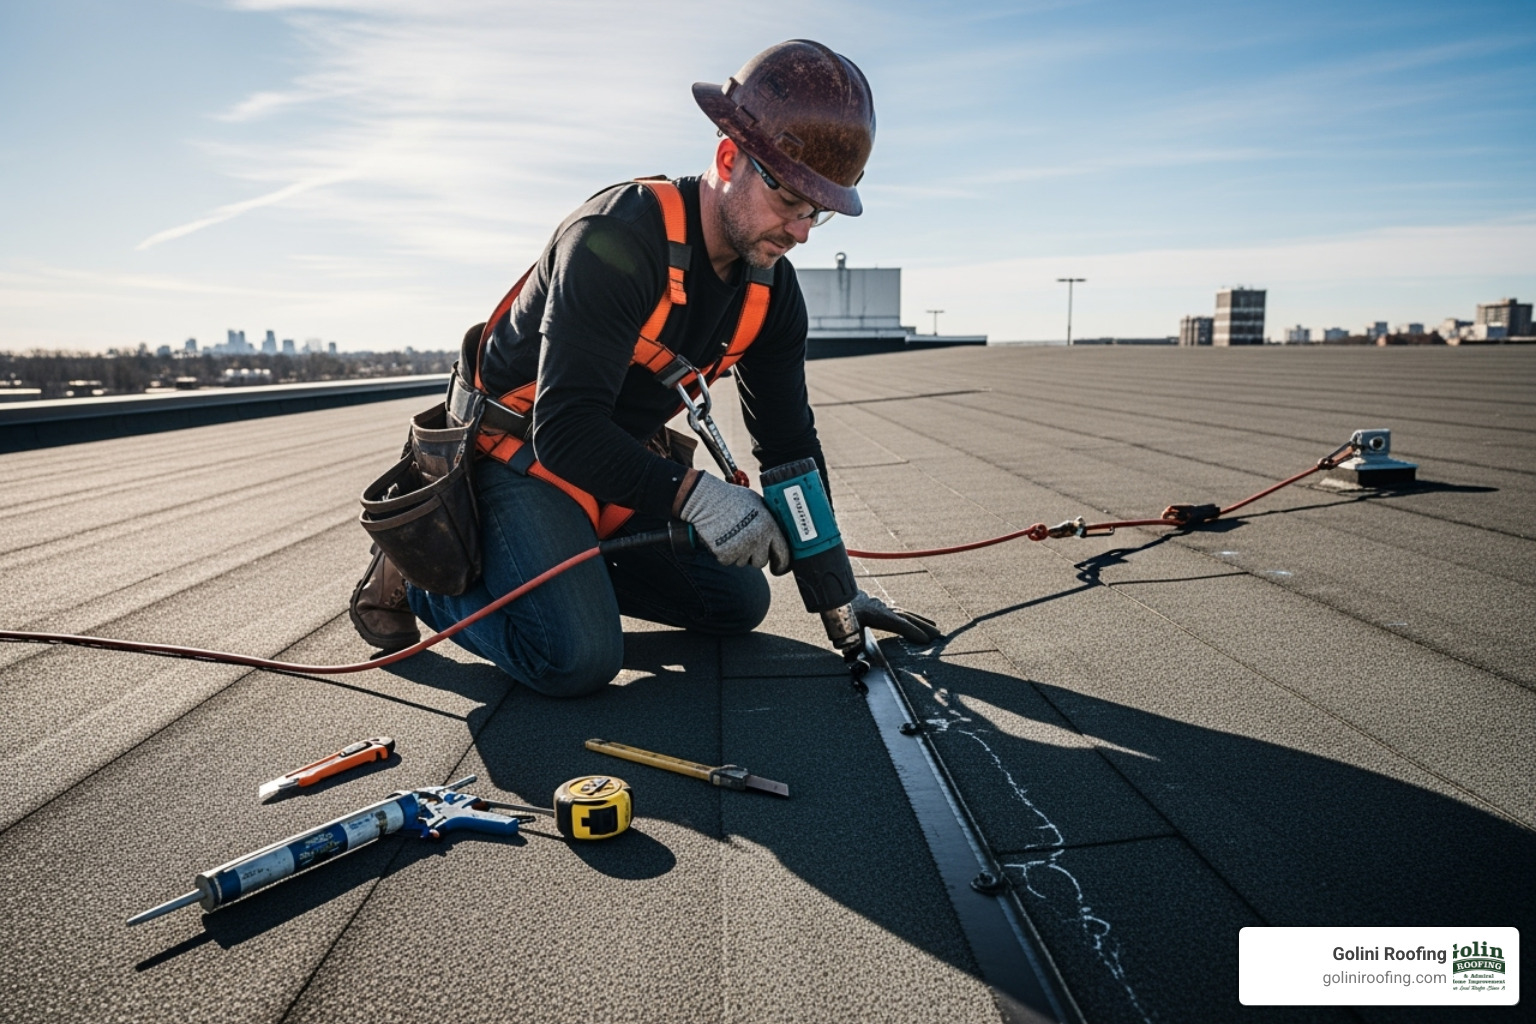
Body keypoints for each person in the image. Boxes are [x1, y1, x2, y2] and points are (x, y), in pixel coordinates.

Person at [350, 39, 938, 696]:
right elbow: (564, 429)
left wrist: (837, 592)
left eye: (816, 212)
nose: (800, 231)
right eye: (789, 202)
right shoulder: (614, 237)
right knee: (576, 660)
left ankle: (563, 579)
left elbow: (789, 447)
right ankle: (424, 580)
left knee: (737, 603)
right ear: (728, 159)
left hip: (612, 463)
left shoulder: (771, 291)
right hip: (513, 455)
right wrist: (698, 497)